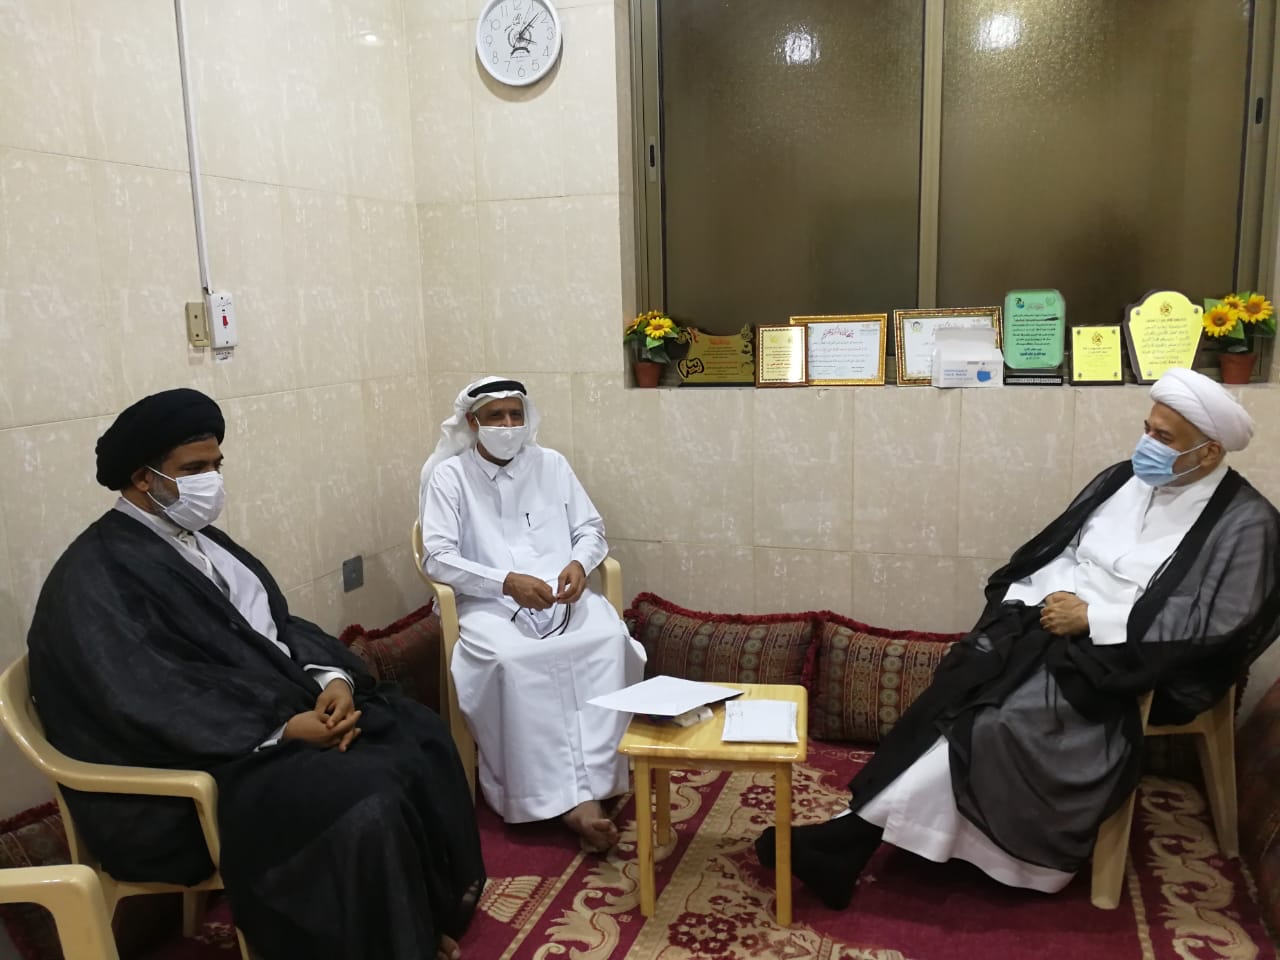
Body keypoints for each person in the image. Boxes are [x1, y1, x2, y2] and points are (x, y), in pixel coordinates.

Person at [756, 368, 1280, 909]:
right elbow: (1062, 550)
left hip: (1132, 658)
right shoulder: (1124, 479)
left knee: (994, 721)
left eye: (1163, 438)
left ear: (1209, 452)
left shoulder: (1247, 523)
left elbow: (1215, 622)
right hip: (1051, 620)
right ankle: (851, 834)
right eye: (1147, 428)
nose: (1146, 445)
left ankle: (850, 839)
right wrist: (1039, 603)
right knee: (963, 679)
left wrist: (1094, 619)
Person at [25, 388, 484, 960]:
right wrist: (282, 730)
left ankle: (411, 920)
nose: (211, 481)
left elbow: (277, 625)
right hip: (191, 770)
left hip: (267, 717)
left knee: (418, 735)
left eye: (216, 465)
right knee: (365, 793)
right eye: (193, 469)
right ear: (143, 479)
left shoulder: (202, 542)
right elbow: (149, 698)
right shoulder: (94, 577)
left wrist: (332, 681)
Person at [419, 376, 646, 852]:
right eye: (495, 416)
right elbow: (437, 557)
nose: (507, 425)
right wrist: (504, 582)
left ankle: (599, 781)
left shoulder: (551, 465)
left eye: (515, 415)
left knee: (609, 640)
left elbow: (591, 529)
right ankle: (550, 797)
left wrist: (579, 563)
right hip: (487, 603)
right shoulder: (449, 477)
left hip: (562, 598)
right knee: (514, 661)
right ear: (472, 422)